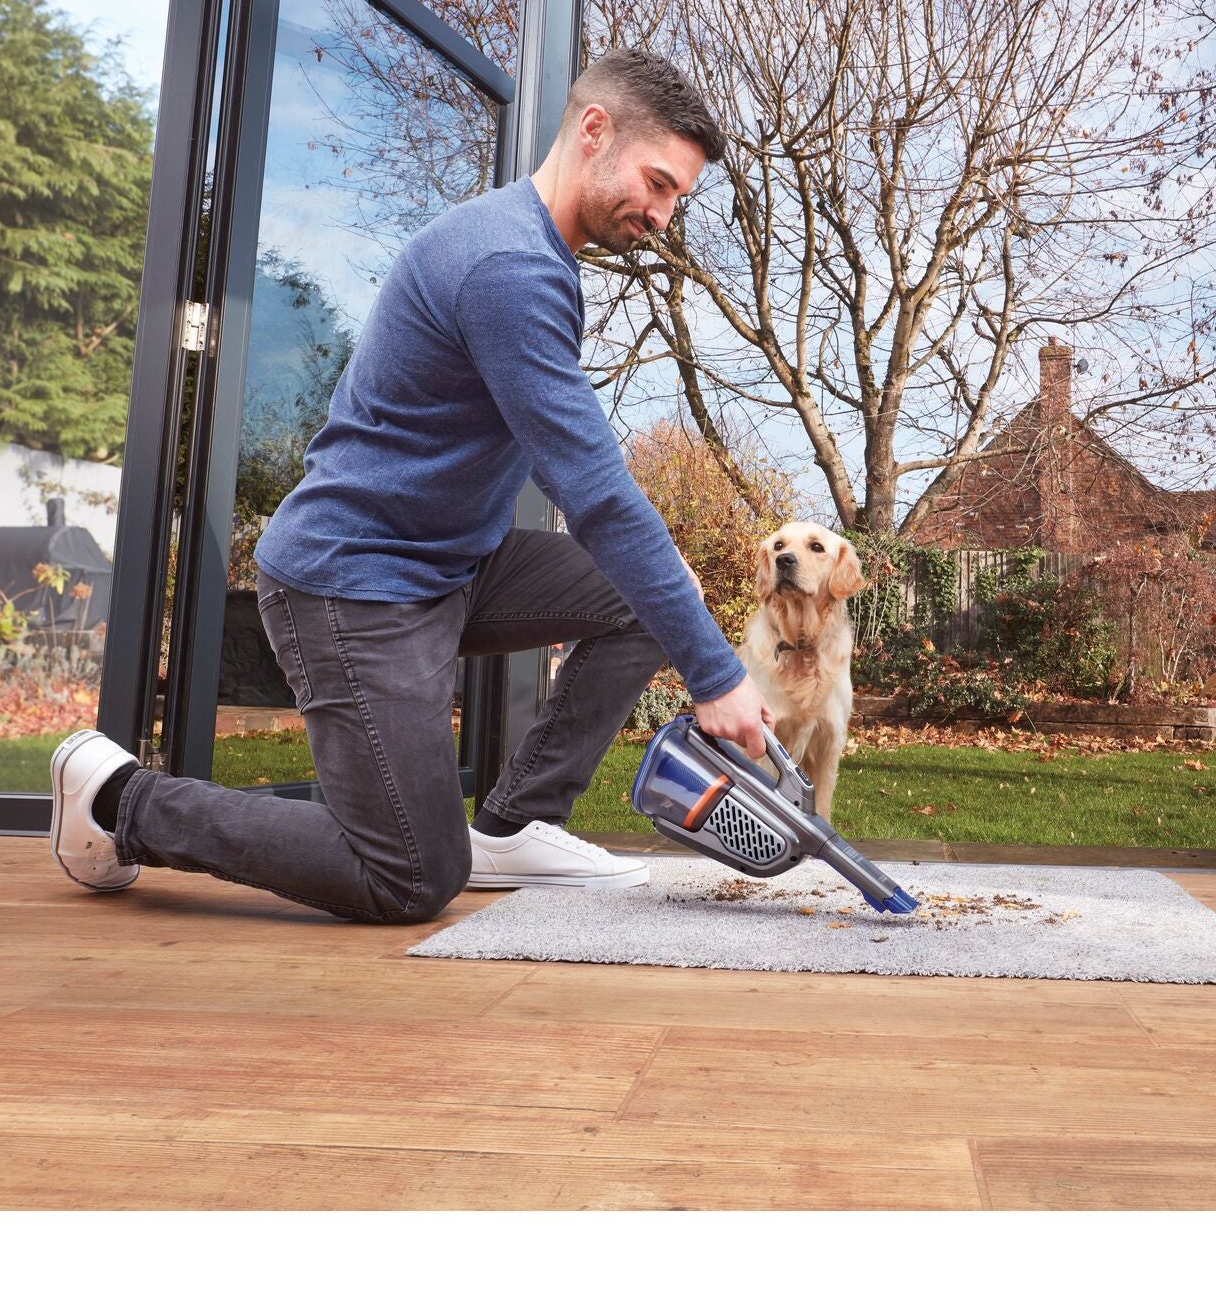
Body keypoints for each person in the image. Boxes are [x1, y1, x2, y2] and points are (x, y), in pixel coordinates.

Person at [48, 50, 773, 925]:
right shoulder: (506, 267)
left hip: (447, 566)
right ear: (593, 133)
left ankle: (516, 824)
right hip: (352, 587)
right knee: (411, 878)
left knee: (650, 598)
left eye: (675, 199)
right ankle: (119, 801)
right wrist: (717, 673)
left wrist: (681, 618)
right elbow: (597, 492)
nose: (660, 214)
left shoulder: (527, 247)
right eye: (657, 183)